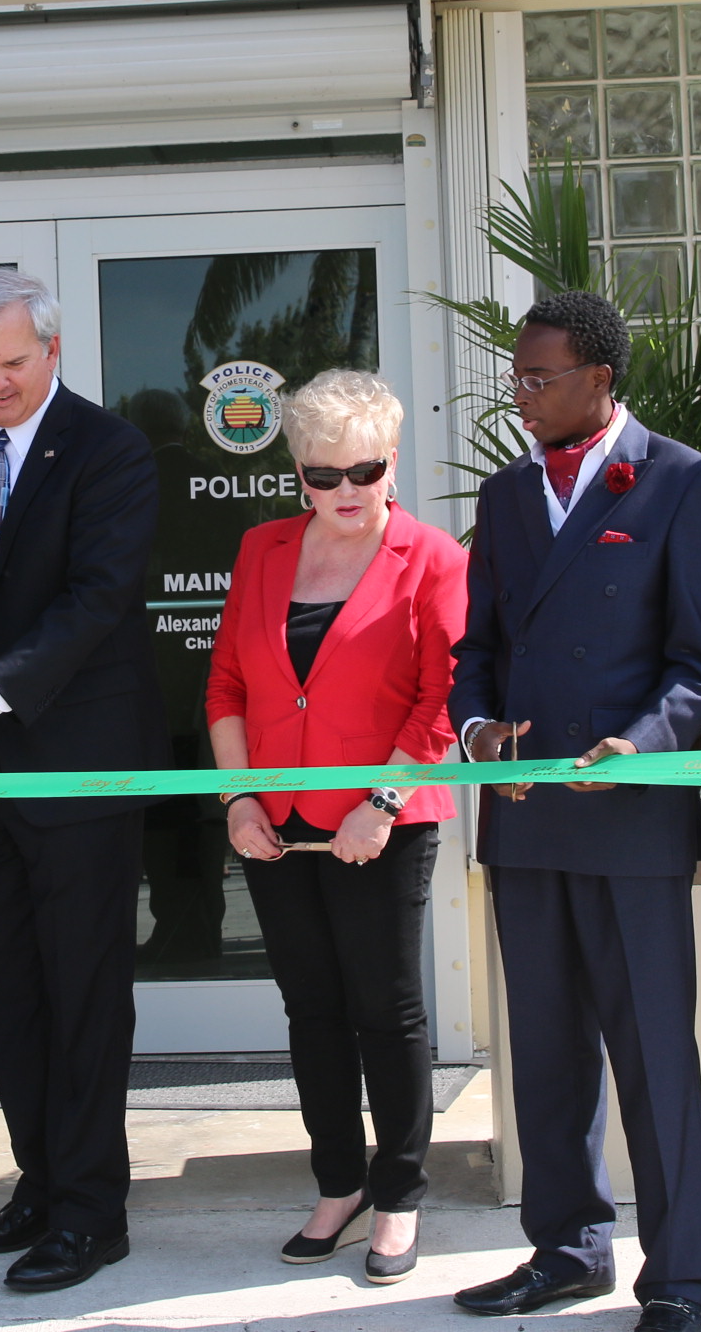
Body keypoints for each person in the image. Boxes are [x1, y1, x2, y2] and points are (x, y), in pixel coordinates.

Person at [447, 290, 701, 1332]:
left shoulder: (685, 483)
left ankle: (684, 1277)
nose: (521, 396)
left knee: (655, 1052)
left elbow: (699, 664)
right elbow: (475, 651)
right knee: (548, 1049)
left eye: (540, 378)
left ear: (601, 380)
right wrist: (475, 733)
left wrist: (645, 746)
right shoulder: (508, 495)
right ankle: (564, 1249)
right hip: (523, 814)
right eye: (515, 378)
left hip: (631, 818)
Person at [0, 268, 163, 1295]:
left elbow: (97, 603)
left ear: (53, 353)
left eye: (14, 364)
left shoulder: (112, 449)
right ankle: (41, 1183)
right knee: (8, 984)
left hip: (79, 758)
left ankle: (95, 1211)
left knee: (85, 989)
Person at [204, 370, 464, 1287]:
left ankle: (398, 1196)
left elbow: (444, 700)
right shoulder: (263, 549)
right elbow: (229, 685)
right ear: (297, 475)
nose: (344, 491)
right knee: (310, 1011)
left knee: (385, 1013)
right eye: (322, 475)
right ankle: (337, 1184)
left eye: (363, 470)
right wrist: (238, 800)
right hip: (273, 824)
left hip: (382, 823)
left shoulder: (433, 556)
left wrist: (381, 802)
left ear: (392, 462)